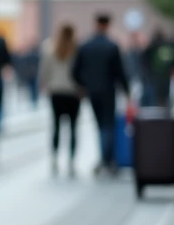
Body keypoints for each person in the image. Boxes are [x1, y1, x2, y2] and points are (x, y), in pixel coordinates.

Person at [72, 13, 130, 175]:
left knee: (99, 125)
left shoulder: (85, 45)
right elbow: (120, 72)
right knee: (108, 125)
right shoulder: (112, 46)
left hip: (92, 91)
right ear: (107, 25)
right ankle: (108, 160)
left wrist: (83, 85)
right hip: (108, 91)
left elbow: (75, 70)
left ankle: (104, 158)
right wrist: (127, 92)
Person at [39, 23, 81, 176]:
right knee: (73, 128)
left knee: (56, 126)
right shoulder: (76, 50)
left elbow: (44, 71)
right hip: (73, 92)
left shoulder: (50, 48)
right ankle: (71, 161)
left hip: (56, 91)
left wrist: (46, 84)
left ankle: (55, 159)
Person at [141, 28, 174, 108]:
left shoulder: (152, 46)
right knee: (165, 98)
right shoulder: (169, 47)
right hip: (166, 76)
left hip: (154, 76)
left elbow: (144, 60)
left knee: (155, 99)